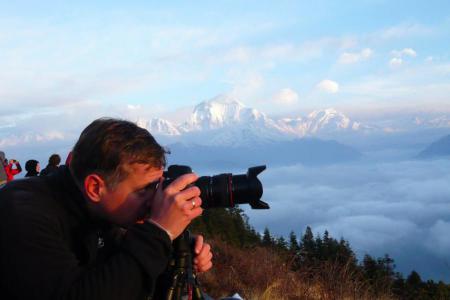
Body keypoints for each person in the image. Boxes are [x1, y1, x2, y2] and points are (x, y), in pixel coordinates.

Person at [0, 118, 213, 299]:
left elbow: (120, 280)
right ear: (95, 187)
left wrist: (176, 252)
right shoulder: (22, 214)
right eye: (144, 190)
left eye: (157, 186)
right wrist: (159, 233)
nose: (154, 199)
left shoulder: (99, 213)